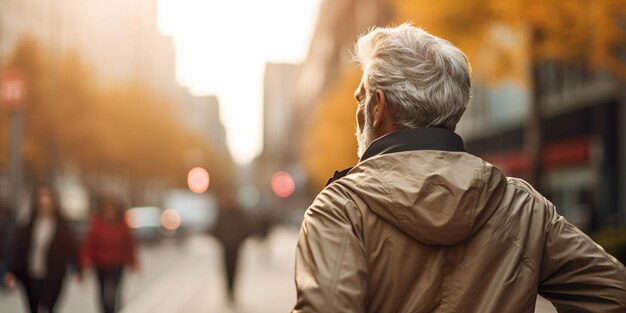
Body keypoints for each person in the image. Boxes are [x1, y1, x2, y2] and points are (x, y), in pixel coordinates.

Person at [292, 23, 626, 312]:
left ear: (377, 108)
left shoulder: (339, 210)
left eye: (360, 97)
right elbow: (614, 294)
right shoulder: (523, 207)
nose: (359, 109)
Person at [3, 183, 81, 313]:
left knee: (47, 307)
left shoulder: (62, 227)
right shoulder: (28, 226)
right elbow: (18, 249)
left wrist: (78, 269)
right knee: (33, 307)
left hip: (53, 274)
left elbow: (71, 249)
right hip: (31, 274)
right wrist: (11, 270)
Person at [80, 197, 138, 313]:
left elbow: (129, 245)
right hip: (101, 265)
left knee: (112, 292)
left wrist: (134, 263)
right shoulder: (97, 225)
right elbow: (90, 245)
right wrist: (85, 262)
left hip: (117, 265)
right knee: (102, 293)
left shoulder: (122, 226)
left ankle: (114, 309)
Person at [213, 189, 250, 304]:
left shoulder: (238, 214)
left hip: (234, 246)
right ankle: (229, 291)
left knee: (233, 270)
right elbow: (216, 228)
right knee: (227, 269)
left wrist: (240, 240)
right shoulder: (223, 212)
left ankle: (231, 291)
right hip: (227, 245)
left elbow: (245, 228)